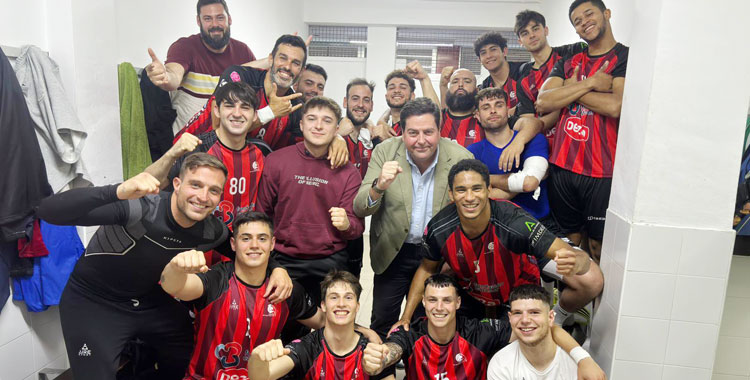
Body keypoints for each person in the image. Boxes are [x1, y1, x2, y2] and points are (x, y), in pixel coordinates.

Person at [36, 154, 291, 380]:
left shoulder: (210, 230)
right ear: (177, 185)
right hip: (94, 301)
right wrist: (116, 190)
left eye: (213, 191)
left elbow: (246, 248)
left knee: (185, 353)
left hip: (148, 300)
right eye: (196, 185)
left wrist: (277, 268)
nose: (203, 197)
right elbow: (48, 211)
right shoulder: (140, 208)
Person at [393, 159, 602, 329]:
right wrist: (405, 318)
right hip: (472, 289)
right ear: (451, 194)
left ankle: (555, 318)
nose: (469, 197)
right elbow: (426, 269)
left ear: (489, 189)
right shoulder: (440, 228)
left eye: (476, 189)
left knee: (591, 280)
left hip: (517, 286)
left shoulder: (514, 222)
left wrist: (579, 261)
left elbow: (576, 258)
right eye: (461, 190)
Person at [353, 97, 474, 339]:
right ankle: (382, 373)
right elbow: (359, 208)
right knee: (383, 320)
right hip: (392, 252)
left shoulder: (460, 158)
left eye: (428, 132)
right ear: (402, 132)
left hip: (437, 255)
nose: (421, 141)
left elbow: (469, 214)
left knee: (426, 324)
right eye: (413, 133)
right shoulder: (385, 151)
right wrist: (379, 186)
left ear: (439, 131)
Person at [160, 211, 323, 379]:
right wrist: (176, 268)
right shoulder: (218, 278)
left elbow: (323, 323)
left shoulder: (285, 289)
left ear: (272, 243)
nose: (254, 245)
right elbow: (175, 286)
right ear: (233, 243)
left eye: (262, 238)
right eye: (245, 238)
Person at [362, 274, 604, 380]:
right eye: (432, 300)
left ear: (457, 303)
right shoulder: (410, 333)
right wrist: (381, 357)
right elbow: (392, 350)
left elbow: (538, 328)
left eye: (447, 300)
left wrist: (583, 358)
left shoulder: (479, 332)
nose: (439, 307)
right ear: (423, 302)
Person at [536, 0, 629, 262]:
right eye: (577, 21)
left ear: (606, 14)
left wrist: (569, 91)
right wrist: (591, 84)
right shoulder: (569, 61)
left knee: (599, 247)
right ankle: (571, 302)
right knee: (568, 246)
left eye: (589, 14)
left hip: (601, 171)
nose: (584, 22)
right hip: (562, 167)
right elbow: (543, 101)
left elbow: (614, 106)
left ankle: (598, 303)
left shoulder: (623, 57)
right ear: (576, 31)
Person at [257, 96, 364, 305]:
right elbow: (262, 215)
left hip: (329, 261)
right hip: (282, 259)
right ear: (301, 124)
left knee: (331, 326)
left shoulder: (349, 172)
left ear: (336, 129)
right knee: (282, 325)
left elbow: (357, 227)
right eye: (312, 118)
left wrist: (347, 224)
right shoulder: (276, 161)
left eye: (326, 120)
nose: (318, 126)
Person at [146, 0, 255, 134]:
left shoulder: (243, 51)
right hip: (188, 147)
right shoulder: (185, 47)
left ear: (229, 19)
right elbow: (174, 75)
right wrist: (165, 77)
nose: (215, 24)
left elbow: (258, 87)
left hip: (227, 147)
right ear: (199, 21)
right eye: (208, 19)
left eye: (220, 18)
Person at [247, 270, 372, 380]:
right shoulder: (307, 347)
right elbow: (262, 376)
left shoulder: (370, 351)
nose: (341, 303)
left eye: (348, 297)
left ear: (357, 306)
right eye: (334, 297)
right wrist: (257, 359)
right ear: (323, 305)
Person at [487, 285, 598, 379]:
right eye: (517, 313)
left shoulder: (577, 364)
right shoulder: (501, 364)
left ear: (550, 317)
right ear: (510, 318)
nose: (525, 320)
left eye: (534, 312)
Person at [512, 10, 587, 146]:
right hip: (547, 147)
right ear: (520, 41)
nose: (532, 35)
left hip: (580, 140)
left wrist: (553, 101)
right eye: (525, 33)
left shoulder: (572, 52)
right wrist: (567, 92)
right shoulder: (523, 80)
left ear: (546, 30)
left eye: (536, 29)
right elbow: (530, 124)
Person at [338, 78, 376, 278]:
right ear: (345, 102)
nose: (360, 104)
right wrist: (336, 135)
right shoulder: (331, 133)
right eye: (355, 99)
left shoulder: (370, 140)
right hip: (328, 229)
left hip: (355, 228)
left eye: (366, 100)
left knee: (352, 285)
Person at [371, 61, 440, 142]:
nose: (396, 90)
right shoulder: (383, 127)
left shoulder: (417, 125)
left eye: (403, 87)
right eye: (392, 87)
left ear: (412, 96)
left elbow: (435, 116)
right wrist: (381, 122)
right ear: (386, 96)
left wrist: (424, 79)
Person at [472, 31, 521, 114]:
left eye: (493, 49)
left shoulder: (524, 72)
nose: (489, 56)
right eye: (483, 53)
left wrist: (508, 114)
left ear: (504, 51)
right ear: (480, 60)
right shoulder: (484, 88)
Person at [438, 67, 484, 147]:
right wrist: (442, 85)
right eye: (455, 82)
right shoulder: (439, 118)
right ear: (448, 90)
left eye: (467, 81)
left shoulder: (483, 120)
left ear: (477, 90)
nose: (460, 85)